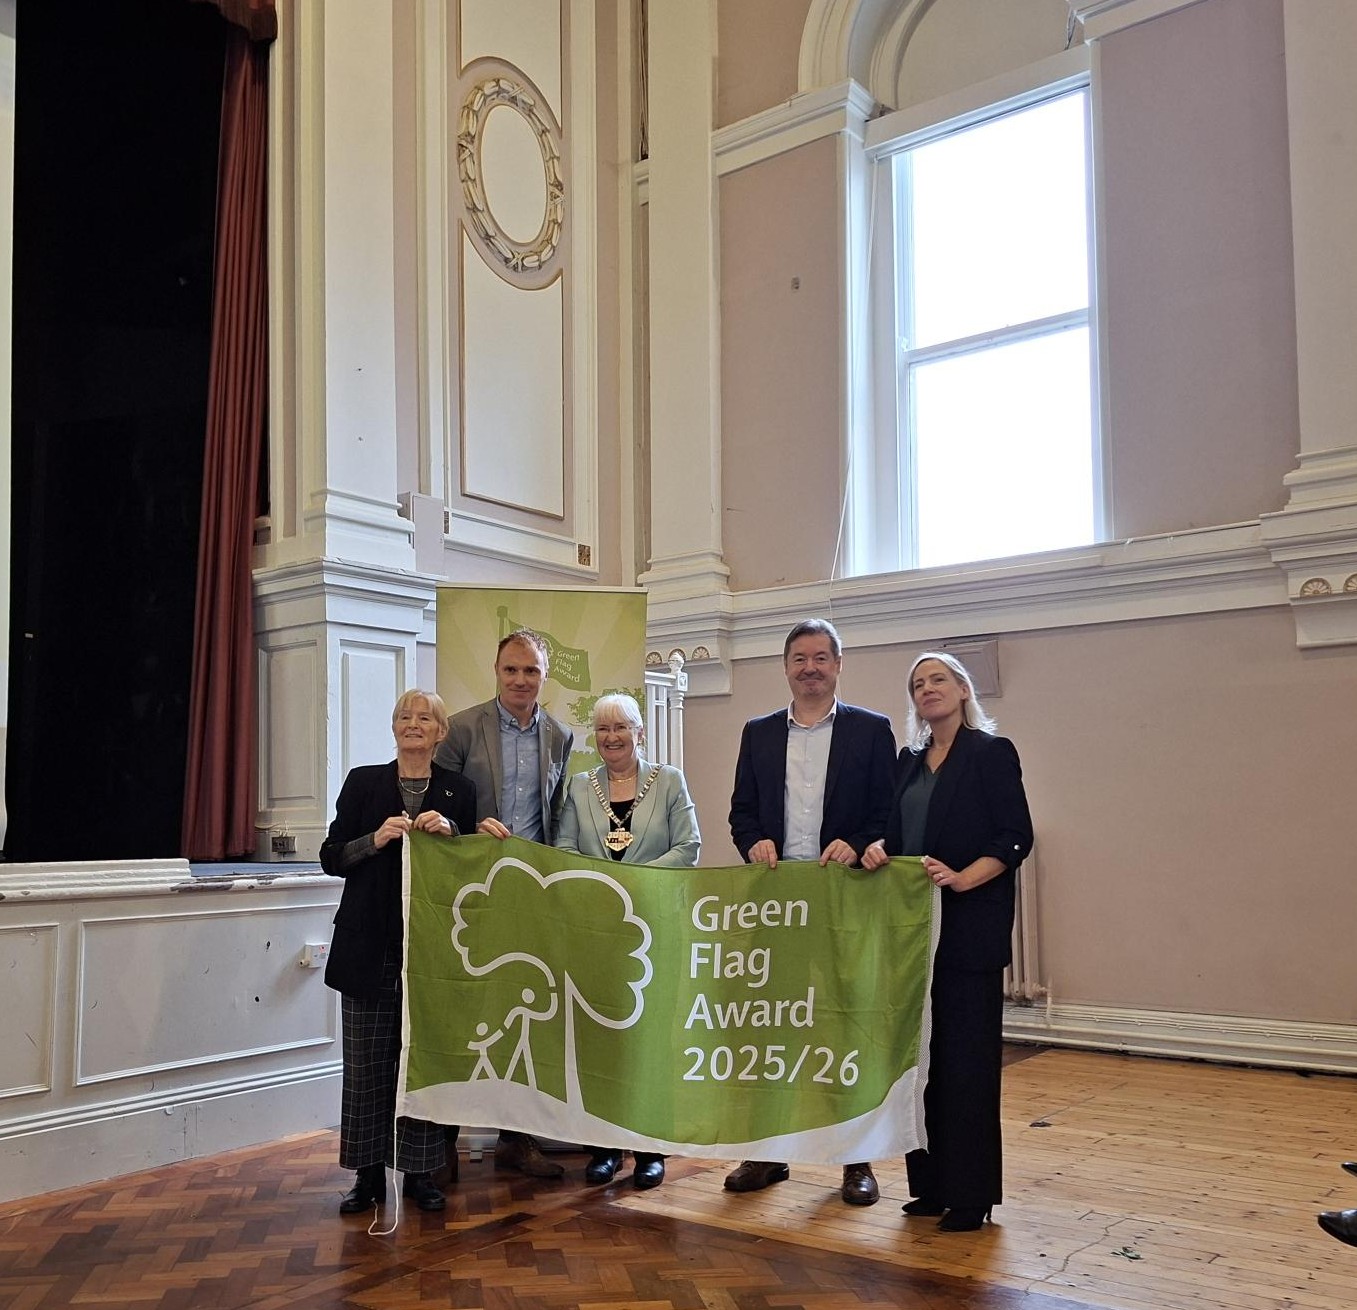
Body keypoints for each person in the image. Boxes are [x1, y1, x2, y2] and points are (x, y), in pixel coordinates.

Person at [725, 617, 897, 1206]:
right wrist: (752, 844)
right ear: (786, 668)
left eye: (821, 658)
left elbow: (886, 813)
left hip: (843, 898)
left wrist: (858, 841)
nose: (810, 668)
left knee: (844, 1026)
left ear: (838, 666)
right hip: (775, 907)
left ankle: (856, 1159)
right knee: (772, 1029)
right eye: (800, 658)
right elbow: (741, 812)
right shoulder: (758, 732)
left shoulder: (873, 731)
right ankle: (768, 1153)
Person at [861, 651, 1033, 1232]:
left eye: (938, 679)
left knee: (968, 1066)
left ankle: (971, 1194)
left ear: (962, 689)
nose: (927, 689)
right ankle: (930, 1186)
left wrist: (963, 878)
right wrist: (877, 848)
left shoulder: (991, 752)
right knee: (923, 1067)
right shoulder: (908, 763)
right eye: (917, 684)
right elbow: (892, 831)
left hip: (968, 933)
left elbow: (1016, 838)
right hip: (913, 938)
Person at [321, 689, 477, 1215]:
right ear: (394, 728)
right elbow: (330, 857)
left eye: (426, 717)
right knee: (366, 1067)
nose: (414, 724)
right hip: (368, 947)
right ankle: (367, 1177)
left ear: (441, 732)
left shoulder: (460, 790)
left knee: (423, 1065)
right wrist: (375, 839)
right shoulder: (363, 781)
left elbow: (473, 865)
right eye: (405, 716)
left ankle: (420, 1174)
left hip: (432, 953)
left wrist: (453, 833)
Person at [434, 628, 576, 1179]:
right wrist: (471, 829)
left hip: (529, 894)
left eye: (532, 671)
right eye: (511, 670)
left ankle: (517, 1140)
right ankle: (441, 1143)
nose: (521, 680)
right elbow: (437, 806)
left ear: (544, 676)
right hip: (469, 892)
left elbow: (558, 814)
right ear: (496, 672)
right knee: (462, 1015)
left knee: (525, 1017)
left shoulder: (561, 736)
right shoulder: (463, 729)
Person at [556, 691, 701, 1190]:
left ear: (640, 732)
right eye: (602, 729)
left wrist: (635, 880)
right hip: (598, 931)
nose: (612, 737)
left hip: (655, 926)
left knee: (650, 1041)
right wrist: (600, 887)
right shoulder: (579, 785)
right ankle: (603, 1148)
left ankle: (650, 1151)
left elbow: (689, 847)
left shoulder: (669, 781)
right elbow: (564, 848)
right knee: (601, 1040)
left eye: (621, 727)